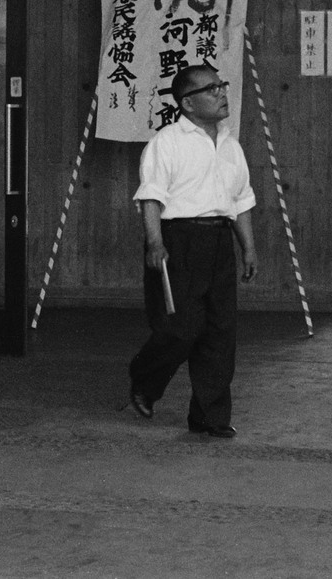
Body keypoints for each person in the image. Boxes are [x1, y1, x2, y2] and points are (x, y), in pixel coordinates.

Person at [127, 63, 259, 438]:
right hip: (178, 241)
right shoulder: (167, 142)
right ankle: (144, 378)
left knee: (220, 332)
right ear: (187, 103)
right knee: (181, 328)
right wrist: (155, 243)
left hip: (219, 242)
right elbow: (151, 197)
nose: (221, 93)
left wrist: (247, 247)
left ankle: (208, 416)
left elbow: (241, 200)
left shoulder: (231, 146)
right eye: (211, 89)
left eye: (222, 85)